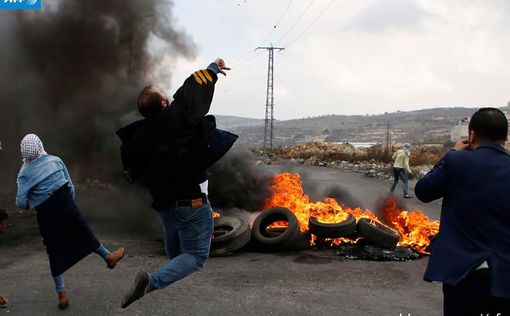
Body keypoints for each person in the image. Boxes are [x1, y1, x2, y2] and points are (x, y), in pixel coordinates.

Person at [119, 58, 231, 308]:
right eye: (165, 97)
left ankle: (164, 274)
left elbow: (130, 166)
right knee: (196, 257)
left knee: (177, 257)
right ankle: (150, 281)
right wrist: (213, 67)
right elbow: (193, 89)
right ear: (163, 103)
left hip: (166, 209)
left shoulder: (137, 138)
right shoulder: (176, 117)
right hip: (191, 204)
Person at [415, 108, 510, 316]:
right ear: (505, 136)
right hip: (504, 279)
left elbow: (423, 191)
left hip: (464, 274)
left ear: (472, 135)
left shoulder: (456, 162)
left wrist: (453, 153)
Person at [15, 134, 125, 309]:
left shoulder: (24, 174)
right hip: (66, 206)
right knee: (84, 233)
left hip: (46, 215)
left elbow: (21, 202)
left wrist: (34, 202)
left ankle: (62, 294)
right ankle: (108, 257)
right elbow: (70, 186)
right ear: (40, 145)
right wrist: (69, 205)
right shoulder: (55, 161)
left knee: (54, 250)